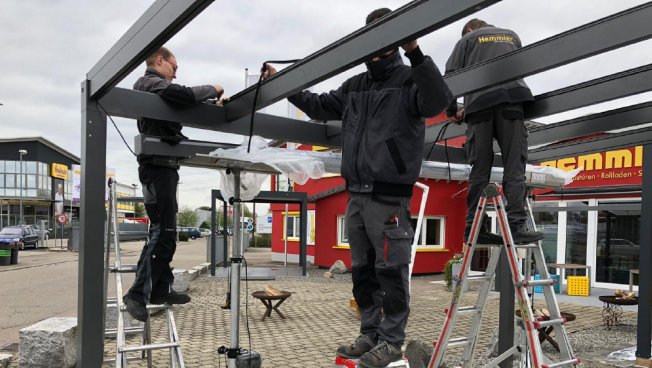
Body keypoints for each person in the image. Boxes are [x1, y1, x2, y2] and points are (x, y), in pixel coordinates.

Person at [263, 8, 453, 367]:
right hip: (356, 194)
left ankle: (392, 342)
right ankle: (370, 334)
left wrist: (414, 49)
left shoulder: (409, 79)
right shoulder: (356, 86)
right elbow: (319, 107)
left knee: (391, 271)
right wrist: (285, 83)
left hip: (388, 197)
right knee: (363, 271)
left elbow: (438, 100)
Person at [123, 47, 224, 322]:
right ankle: (136, 294)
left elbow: (180, 105)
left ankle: (159, 289)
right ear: (160, 61)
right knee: (162, 232)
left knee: (165, 232)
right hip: (156, 170)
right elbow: (183, 95)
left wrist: (208, 110)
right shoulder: (149, 84)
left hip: (164, 169)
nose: (175, 73)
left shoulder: (160, 94)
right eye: (174, 67)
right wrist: (213, 88)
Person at [445, 19, 543, 245]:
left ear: (469, 29)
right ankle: (517, 228)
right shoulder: (512, 34)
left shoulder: (467, 39)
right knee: (514, 166)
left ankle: (474, 230)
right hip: (513, 102)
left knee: (479, 168)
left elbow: (451, 77)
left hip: (480, 105)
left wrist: (452, 110)